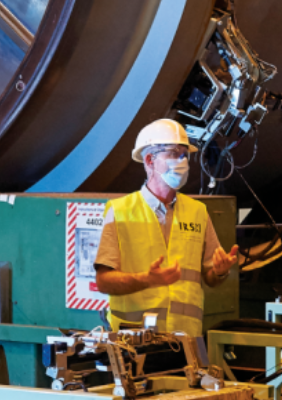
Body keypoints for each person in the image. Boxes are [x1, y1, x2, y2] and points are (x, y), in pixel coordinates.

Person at [94, 119, 239, 335]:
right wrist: (147, 279)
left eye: (185, 154)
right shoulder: (120, 211)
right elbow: (104, 282)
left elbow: (209, 278)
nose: (182, 161)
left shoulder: (197, 212)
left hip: (185, 339)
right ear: (150, 160)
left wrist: (219, 273)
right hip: (133, 341)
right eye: (173, 153)